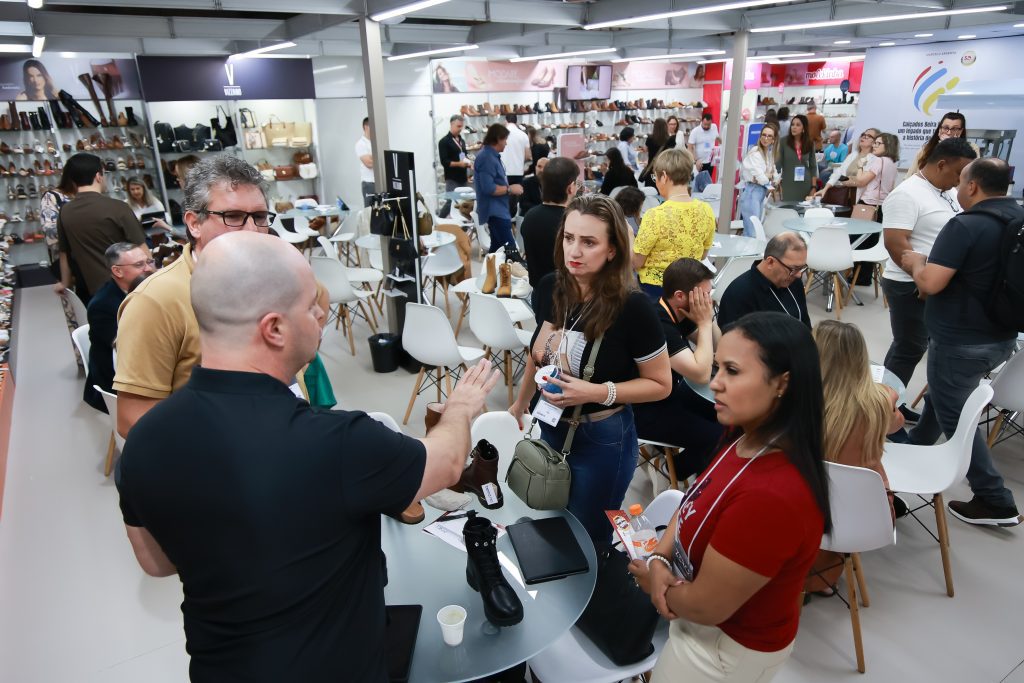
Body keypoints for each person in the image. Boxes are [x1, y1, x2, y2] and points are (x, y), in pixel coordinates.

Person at [115, 230, 500, 682]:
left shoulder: (142, 442)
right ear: (274, 328)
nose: (322, 313)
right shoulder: (340, 442)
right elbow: (448, 463)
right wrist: (460, 407)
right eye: (310, 307)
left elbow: (157, 563)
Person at [628, 312, 830, 683]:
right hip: (695, 621)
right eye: (717, 367)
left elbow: (707, 605)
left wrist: (657, 589)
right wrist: (659, 558)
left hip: (722, 652)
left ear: (782, 384)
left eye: (732, 371)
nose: (715, 384)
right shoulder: (742, 434)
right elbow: (694, 498)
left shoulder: (774, 497)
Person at [509, 194, 672, 544]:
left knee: (587, 539)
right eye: (569, 238)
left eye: (588, 242)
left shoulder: (633, 308)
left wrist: (598, 391)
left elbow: (661, 384)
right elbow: (538, 352)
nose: (575, 252)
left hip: (603, 438)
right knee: (552, 525)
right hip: (551, 425)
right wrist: (520, 404)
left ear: (612, 250)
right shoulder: (555, 285)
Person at [113, 155, 271, 439]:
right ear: (194, 223)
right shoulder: (156, 301)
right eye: (232, 217)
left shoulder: (271, 276)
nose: (252, 230)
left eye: (259, 217)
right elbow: (132, 420)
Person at [902, 158, 1023, 527]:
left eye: (960, 182)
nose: (956, 188)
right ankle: (919, 444)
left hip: (959, 340)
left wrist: (914, 262)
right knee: (948, 394)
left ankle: (994, 500)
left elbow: (931, 283)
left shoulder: (966, 226)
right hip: (1001, 338)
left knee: (958, 419)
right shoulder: (1016, 222)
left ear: (972, 187)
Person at [806, 320, 903, 593]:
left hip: (805, 507)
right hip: (868, 513)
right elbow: (897, 423)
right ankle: (828, 576)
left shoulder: (798, 401)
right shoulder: (880, 402)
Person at [879, 137, 977, 398]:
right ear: (941, 164)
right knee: (909, 348)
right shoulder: (907, 194)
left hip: (931, 281)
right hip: (908, 284)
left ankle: (887, 404)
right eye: (958, 173)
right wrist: (921, 277)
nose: (960, 180)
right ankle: (882, 410)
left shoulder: (948, 192)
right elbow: (895, 243)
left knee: (912, 346)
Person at [633, 258, 723, 478]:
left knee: (731, 416)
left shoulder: (681, 311)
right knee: (717, 436)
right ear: (681, 296)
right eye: (703, 295)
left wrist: (707, 320)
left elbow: (720, 350)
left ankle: (671, 460)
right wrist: (703, 323)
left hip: (672, 393)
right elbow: (701, 374)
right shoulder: (658, 323)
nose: (707, 301)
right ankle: (668, 472)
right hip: (645, 409)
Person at [53, 153, 147, 304]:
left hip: (92, 294)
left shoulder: (65, 212)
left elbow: (64, 254)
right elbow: (142, 250)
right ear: (98, 176)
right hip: (129, 288)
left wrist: (65, 283)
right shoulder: (118, 208)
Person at [632, 149, 715, 300]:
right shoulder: (706, 210)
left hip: (656, 291)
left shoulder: (655, 215)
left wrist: (629, 235)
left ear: (663, 176)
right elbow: (703, 255)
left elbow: (637, 262)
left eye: (655, 177)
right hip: (690, 289)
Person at [83, 243, 155, 413]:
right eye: (139, 265)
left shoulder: (148, 287)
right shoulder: (101, 306)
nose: (148, 268)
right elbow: (129, 349)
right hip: (118, 381)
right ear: (117, 271)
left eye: (149, 262)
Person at [717, 232, 811, 331]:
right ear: (770, 262)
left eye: (802, 268)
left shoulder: (794, 281)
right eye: (794, 268)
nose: (799, 274)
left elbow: (805, 323)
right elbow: (731, 342)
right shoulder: (738, 294)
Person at [520, 156, 577, 286]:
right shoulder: (571, 221)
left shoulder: (530, 216)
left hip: (538, 294)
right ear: (570, 188)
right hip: (566, 295)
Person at [473, 123, 521, 254]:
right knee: (511, 250)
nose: (506, 143)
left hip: (498, 210)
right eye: (505, 140)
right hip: (495, 212)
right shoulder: (487, 157)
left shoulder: (490, 156)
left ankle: (490, 273)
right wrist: (510, 189)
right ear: (499, 138)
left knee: (496, 249)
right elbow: (489, 188)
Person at [842, 132, 899, 217]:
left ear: (888, 145)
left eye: (878, 143)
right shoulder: (892, 163)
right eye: (875, 143)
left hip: (869, 202)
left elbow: (861, 181)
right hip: (883, 204)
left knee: (860, 228)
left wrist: (860, 166)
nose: (874, 146)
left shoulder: (879, 161)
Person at [739, 123, 779, 238]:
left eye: (769, 136)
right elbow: (763, 179)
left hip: (759, 194)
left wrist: (768, 176)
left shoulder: (768, 154)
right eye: (764, 135)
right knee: (751, 233)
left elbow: (775, 176)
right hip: (752, 193)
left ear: (773, 140)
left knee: (755, 231)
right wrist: (768, 176)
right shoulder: (755, 152)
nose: (765, 138)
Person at [816, 128, 879, 197]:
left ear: (875, 142)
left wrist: (845, 180)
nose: (864, 137)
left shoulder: (874, 159)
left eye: (869, 136)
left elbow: (861, 182)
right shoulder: (853, 154)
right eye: (863, 134)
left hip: (860, 198)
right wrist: (825, 188)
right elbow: (839, 172)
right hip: (845, 195)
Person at [905, 112, 969, 178]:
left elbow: (968, 175)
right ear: (940, 128)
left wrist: (952, 146)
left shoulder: (971, 148)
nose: (949, 132)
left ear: (961, 131)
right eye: (945, 127)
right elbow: (910, 175)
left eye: (955, 129)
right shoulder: (926, 149)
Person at [776, 114, 817, 202]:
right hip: (788, 184)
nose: (794, 127)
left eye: (798, 125)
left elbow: (813, 166)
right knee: (788, 210)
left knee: (803, 212)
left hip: (805, 183)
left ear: (804, 128)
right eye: (792, 124)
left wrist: (813, 187)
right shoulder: (783, 142)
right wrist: (776, 184)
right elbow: (778, 165)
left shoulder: (810, 143)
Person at [437, 114, 471, 217]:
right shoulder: (444, 142)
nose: (460, 129)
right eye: (458, 126)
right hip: (452, 178)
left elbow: (463, 156)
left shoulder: (462, 141)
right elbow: (445, 162)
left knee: (464, 203)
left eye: (461, 126)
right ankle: (439, 222)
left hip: (463, 177)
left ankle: (462, 225)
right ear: (451, 124)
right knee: (450, 202)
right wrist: (459, 164)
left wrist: (468, 163)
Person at [500, 114, 531, 217]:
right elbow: (528, 156)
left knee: (502, 198)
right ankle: (513, 221)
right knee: (515, 200)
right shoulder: (523, 135)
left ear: (506, 121)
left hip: (502, 172)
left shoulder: (500, 134)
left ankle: (503, 220)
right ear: (516, 122)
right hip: (517, 172)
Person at [687, 113, 719, 183]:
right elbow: (690, 148)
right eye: (705, 124)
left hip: (710, 161)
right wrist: (696, 161)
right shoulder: (695, 131)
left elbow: (717, 138)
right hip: (699, 163)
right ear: (701, 121)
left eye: (708, 124)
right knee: (697, 184)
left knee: (708, 183)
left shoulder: (714, 127)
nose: (707, 126)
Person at [640, 118, 670, 184]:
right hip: (664, 168)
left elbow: (646, 149)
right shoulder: (668, 139)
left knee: (650, 189)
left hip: (652, 167)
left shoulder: (650, 138)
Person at [355, 117, 374, 206]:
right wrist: (376, 157)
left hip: (378, 182)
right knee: (370, 213)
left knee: (381, 214)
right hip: (369, 183)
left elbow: (383, 158)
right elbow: (369, 163)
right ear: (366, 127)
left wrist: (372, 156)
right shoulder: (361, 144)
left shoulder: (375, 142)